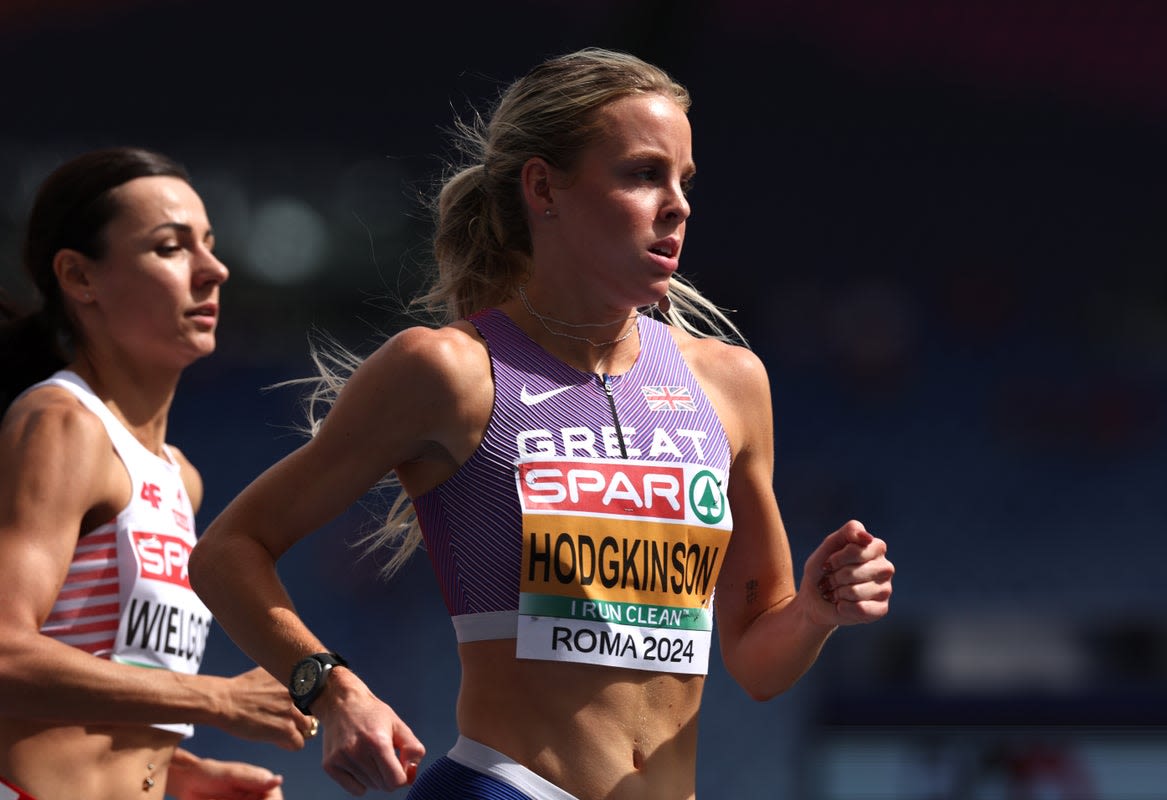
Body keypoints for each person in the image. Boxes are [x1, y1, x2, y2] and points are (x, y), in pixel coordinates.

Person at [189, 47, 895, 799]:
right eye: (642, 173)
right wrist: (332, 690)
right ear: (542, 188)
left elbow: (757, 659)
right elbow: (228, 551)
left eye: (684, 181)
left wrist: (817, 611)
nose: (677, 204)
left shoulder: (729, 382)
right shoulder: (448, 372)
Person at [0, 147, 318, 800]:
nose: (215, 270)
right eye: (171, 248)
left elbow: (102, 673)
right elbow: (4, 651)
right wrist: (216, 700)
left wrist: (182, 772)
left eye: (210, 244)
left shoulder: (180, 475)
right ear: (80, 277)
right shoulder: (63, 424)